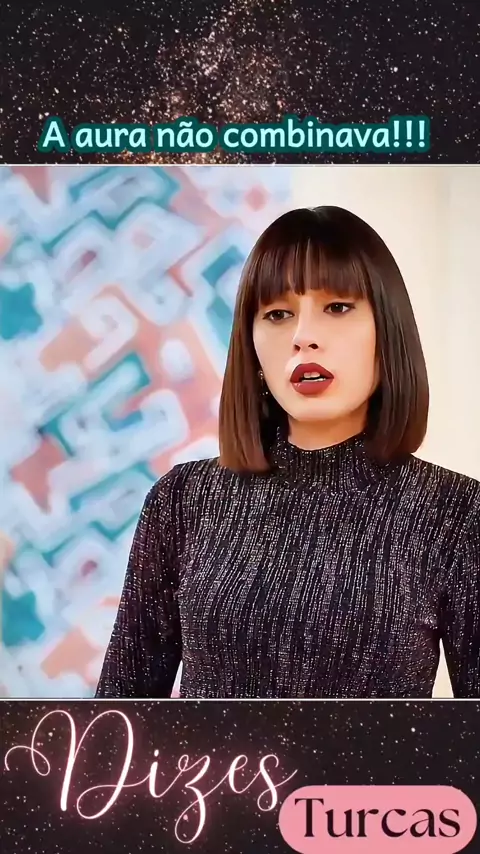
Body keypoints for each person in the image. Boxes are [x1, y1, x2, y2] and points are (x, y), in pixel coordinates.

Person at [95, 205, 480, 699]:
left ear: (388, 331)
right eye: (278, 314)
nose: (303, 337)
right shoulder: (182, 501)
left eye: (337, 307)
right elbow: (114, 719)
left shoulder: (456, 513)